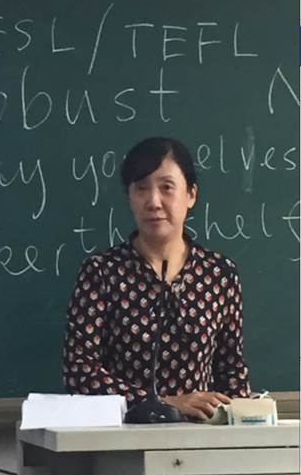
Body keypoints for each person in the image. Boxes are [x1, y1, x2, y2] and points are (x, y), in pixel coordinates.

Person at [63, 136, 251, 421]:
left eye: (167, 188)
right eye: (141, 188)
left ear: (191, 194)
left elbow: (231, 372)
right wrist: (162, 404)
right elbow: (79, 371)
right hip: (122, 436)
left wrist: (248, 419)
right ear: (129, 196)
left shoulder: (219, 273)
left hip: (201, 436)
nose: (153, 202)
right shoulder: (101, 272)